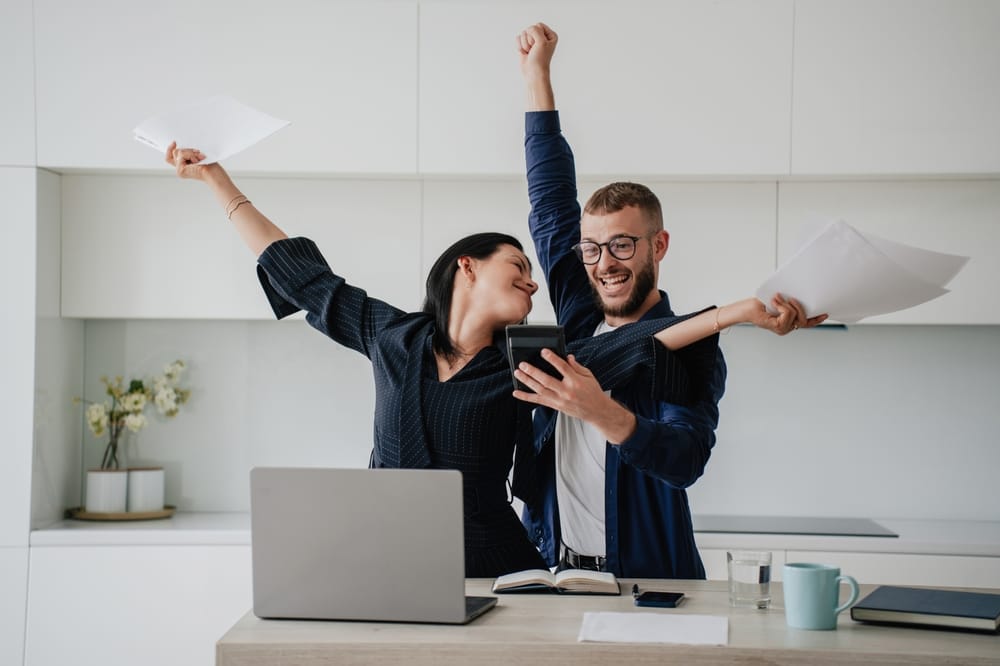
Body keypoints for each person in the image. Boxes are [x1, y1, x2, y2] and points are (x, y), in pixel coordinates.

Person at [165, 138, 812, 578]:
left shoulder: (528, 362)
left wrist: (739, 311)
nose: (535, 283)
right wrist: (217, 180)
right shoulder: (392, 338)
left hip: (500, 571)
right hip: (385, 563)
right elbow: (301, 275)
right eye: (520, 269)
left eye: (535, 274)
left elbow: (635, 342)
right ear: (466, 268)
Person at [515, 22, 827, 579]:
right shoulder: (579, 309)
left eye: (622, 245)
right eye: (592, 247)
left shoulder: (692, 345)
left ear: (657, 245)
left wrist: (601, 411)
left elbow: (685, 459)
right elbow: (549, 196)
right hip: (550, 569)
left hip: (647, 578)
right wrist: (537, 75)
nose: (604, 262)